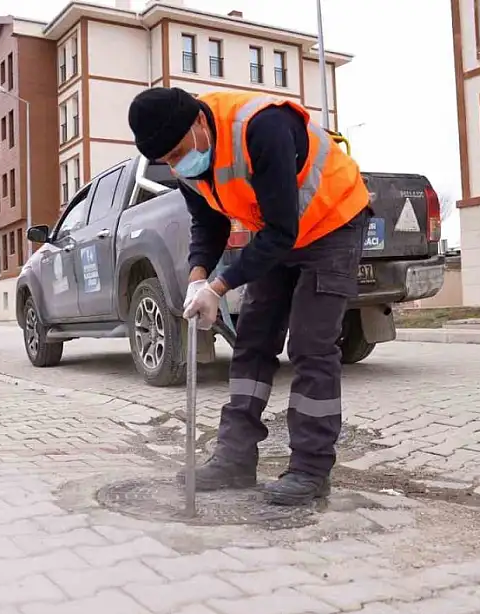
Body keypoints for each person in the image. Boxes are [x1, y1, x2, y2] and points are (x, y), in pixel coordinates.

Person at [127, 87, 370, 506]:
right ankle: (235, 459)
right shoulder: (185, 163)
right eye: (167, 160)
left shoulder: (261, 126)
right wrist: (198, 279)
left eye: (180, 152)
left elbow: (281, 231)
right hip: (279, 234)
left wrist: (221, 287)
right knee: (252, 341)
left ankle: (311, 470)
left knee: (311, 346)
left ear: (200, 122)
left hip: (332, 222)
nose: (178, 164)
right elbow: (208, 223)